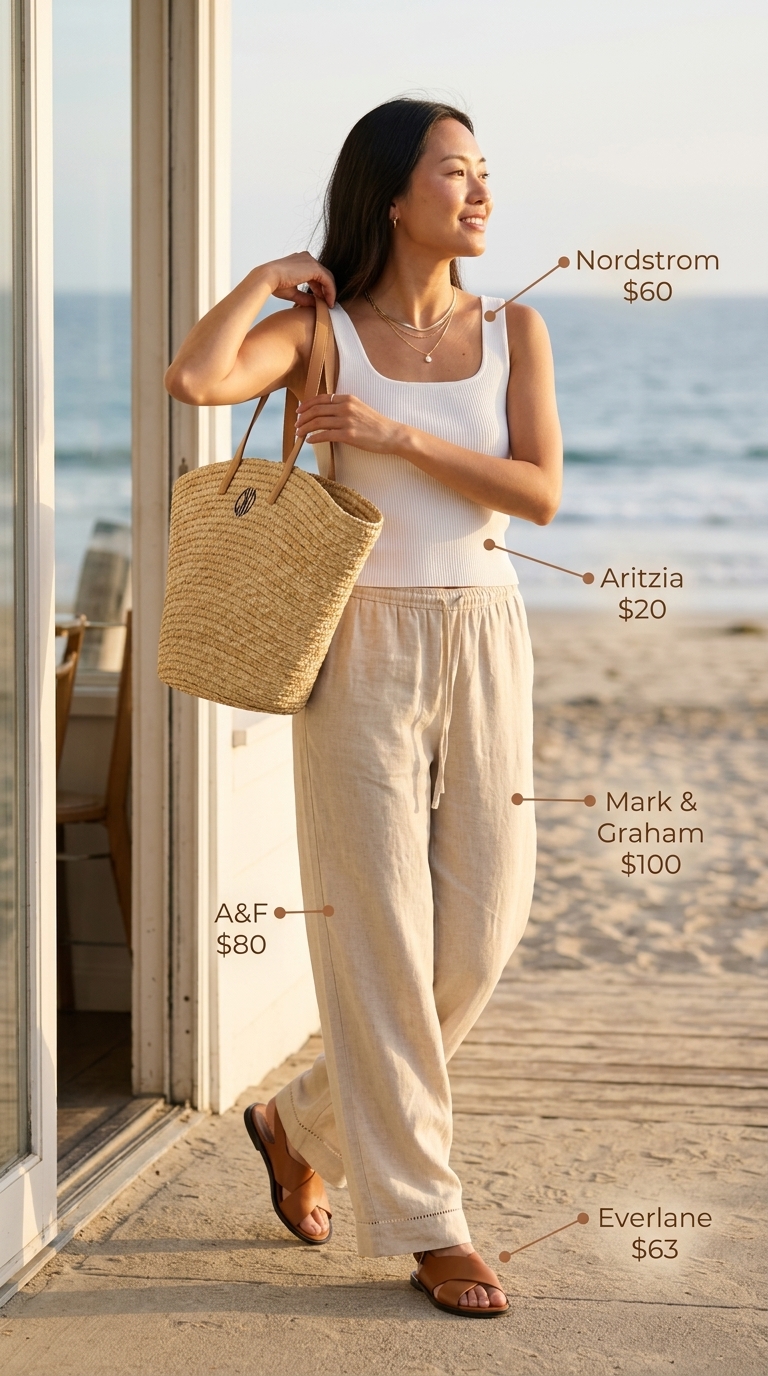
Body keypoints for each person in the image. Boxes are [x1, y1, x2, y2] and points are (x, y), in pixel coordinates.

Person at [165, 97, 562, 1317]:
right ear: (395, 195)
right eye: (457, 172)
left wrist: (393, 432)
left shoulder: (517, 328)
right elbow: (196, 378)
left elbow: (538, 492)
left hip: (487, 632)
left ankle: (302, 1123)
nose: (481, 191)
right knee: (381, 939)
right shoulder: (319, 332)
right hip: (359, 645)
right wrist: (259, 279)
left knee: (482, 929)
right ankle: (431, 1223)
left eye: (486, 171)